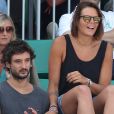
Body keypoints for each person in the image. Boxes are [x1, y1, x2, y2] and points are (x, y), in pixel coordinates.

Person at [46, 2, 114, 114]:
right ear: (77, 21)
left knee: (112, 90)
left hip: (93, 102)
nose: (92, 22)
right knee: (83, 91)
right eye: (87, 18)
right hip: (66, 102)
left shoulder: (106, 47)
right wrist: (53, 108)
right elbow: (53, 85)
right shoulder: (61, 42)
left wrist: (87, 82)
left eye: (96, 19)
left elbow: (104, 89)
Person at [0, 40, 49, 114]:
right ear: (8, 64)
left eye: (27, 61)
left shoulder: (43, 97)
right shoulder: (1, 92)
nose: (24, 66)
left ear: (31, 63)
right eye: (18, 61)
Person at [0, 13, 16, 82]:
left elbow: (33, 83)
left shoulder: (21, 53)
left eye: (9, 29)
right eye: (0, 30)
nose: (5, 33)